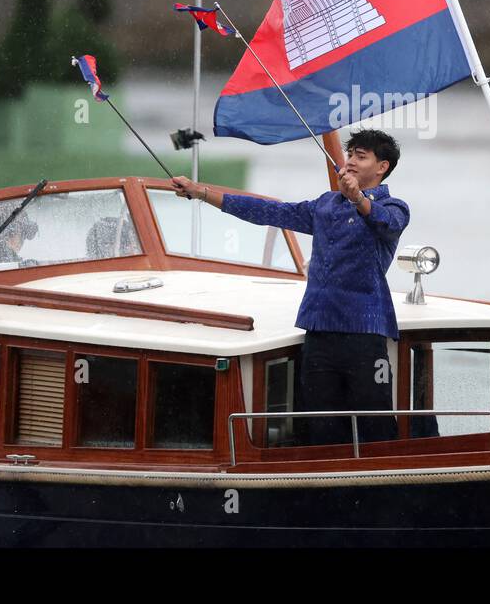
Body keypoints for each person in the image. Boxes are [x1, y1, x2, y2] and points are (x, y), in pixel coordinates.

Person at [169, 129, 408, 446]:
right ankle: (324, 491)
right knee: (320, 426)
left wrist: (358, 199)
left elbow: (386, 224)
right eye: (350, 154)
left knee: (375, 424)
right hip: (318, 330)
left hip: (364, 334)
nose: (350, 161)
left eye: (360, 156)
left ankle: (381, 488)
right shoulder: (325, 206)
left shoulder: (395, 207)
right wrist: (200, 192)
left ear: (382, 167)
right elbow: (268, 212)